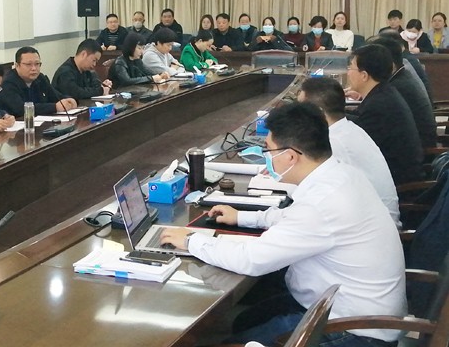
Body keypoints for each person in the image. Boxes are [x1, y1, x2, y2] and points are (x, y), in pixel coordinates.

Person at [159, 102, 406, 347]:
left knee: (231, 339)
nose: (266, 157)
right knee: (244, 322)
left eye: (268, 149)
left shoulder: (322, 204)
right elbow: (293, 217)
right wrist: (243, 217)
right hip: (342, 306)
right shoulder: (340, 175)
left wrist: (190, 240)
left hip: (356, 331)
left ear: (290, 156)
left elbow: (250, 260)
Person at [297, 77, 401, 227]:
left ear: (318, 112)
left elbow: (312, 192)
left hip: (370, 227)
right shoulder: (348, 129)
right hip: (372, 218)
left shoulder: (334, 142)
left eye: (301, 109)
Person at [345, 44, 423, 184]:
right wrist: (333, 109)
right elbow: (359, 117)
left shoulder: (379, 104)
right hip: (391, 171)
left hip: (396, 182)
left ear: (364, 75)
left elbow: (356, 145)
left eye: (350, 68)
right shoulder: (383, 92)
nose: (348, 73)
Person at [369, 36, 437, 149]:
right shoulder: (402, 75)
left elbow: (373, 117)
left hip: (418, 147)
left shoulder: (398, 85)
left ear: (391, 64)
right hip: (412, 141)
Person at [0, 47, 77, 116]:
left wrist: (69, 100)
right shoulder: (7, 83)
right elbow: (21, 109)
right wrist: (54, 107)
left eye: (37, 64)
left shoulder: (40, 78)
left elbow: (56, 96)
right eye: (29, 64)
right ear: (17, 66)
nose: (34, 68)